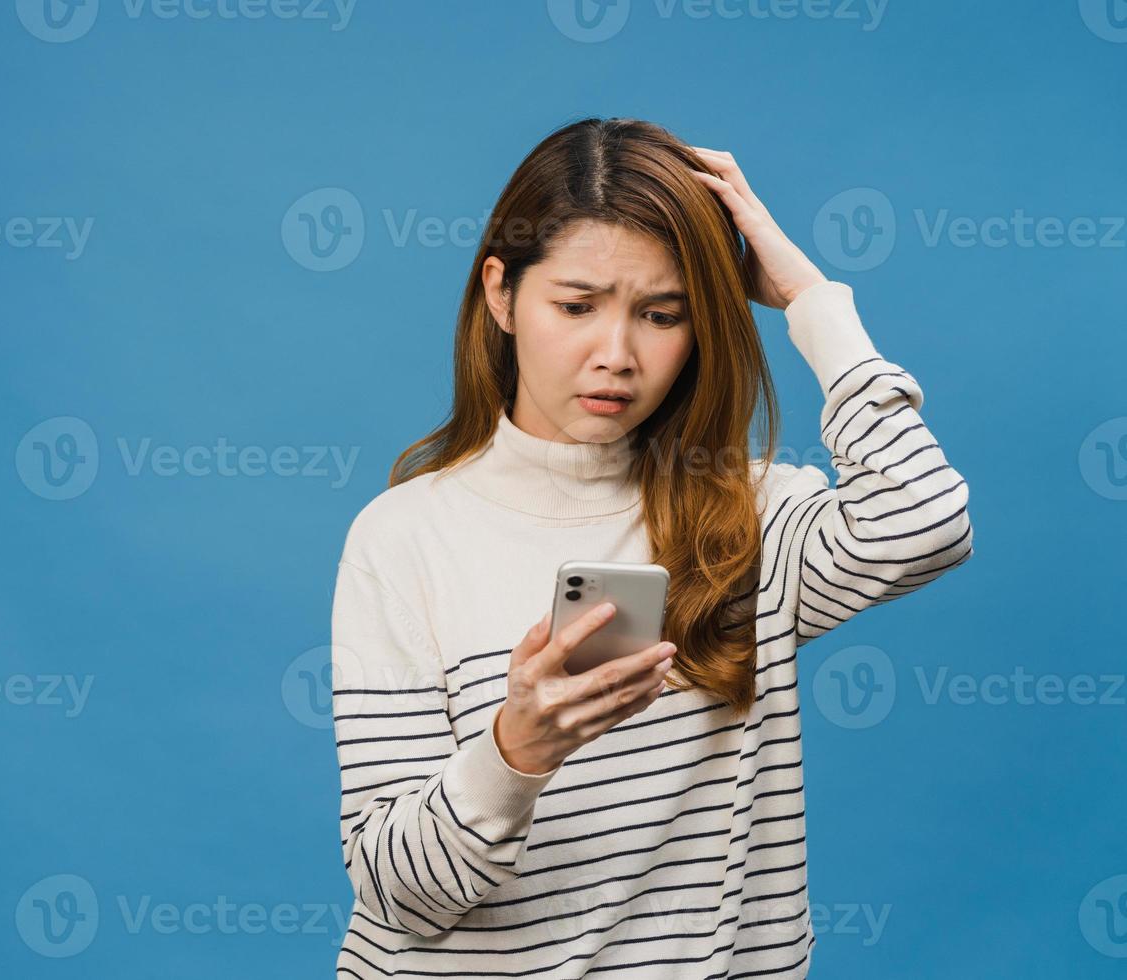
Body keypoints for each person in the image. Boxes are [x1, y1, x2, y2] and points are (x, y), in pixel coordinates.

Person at [329, 117, 972, 978]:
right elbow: (401, 897)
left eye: (662, 314)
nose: (617, 355)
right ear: (501, 294)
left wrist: (814, 300)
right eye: (576, 306)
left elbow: (925, 522)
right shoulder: (403, 538)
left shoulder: (751, 519)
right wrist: (515, 753)